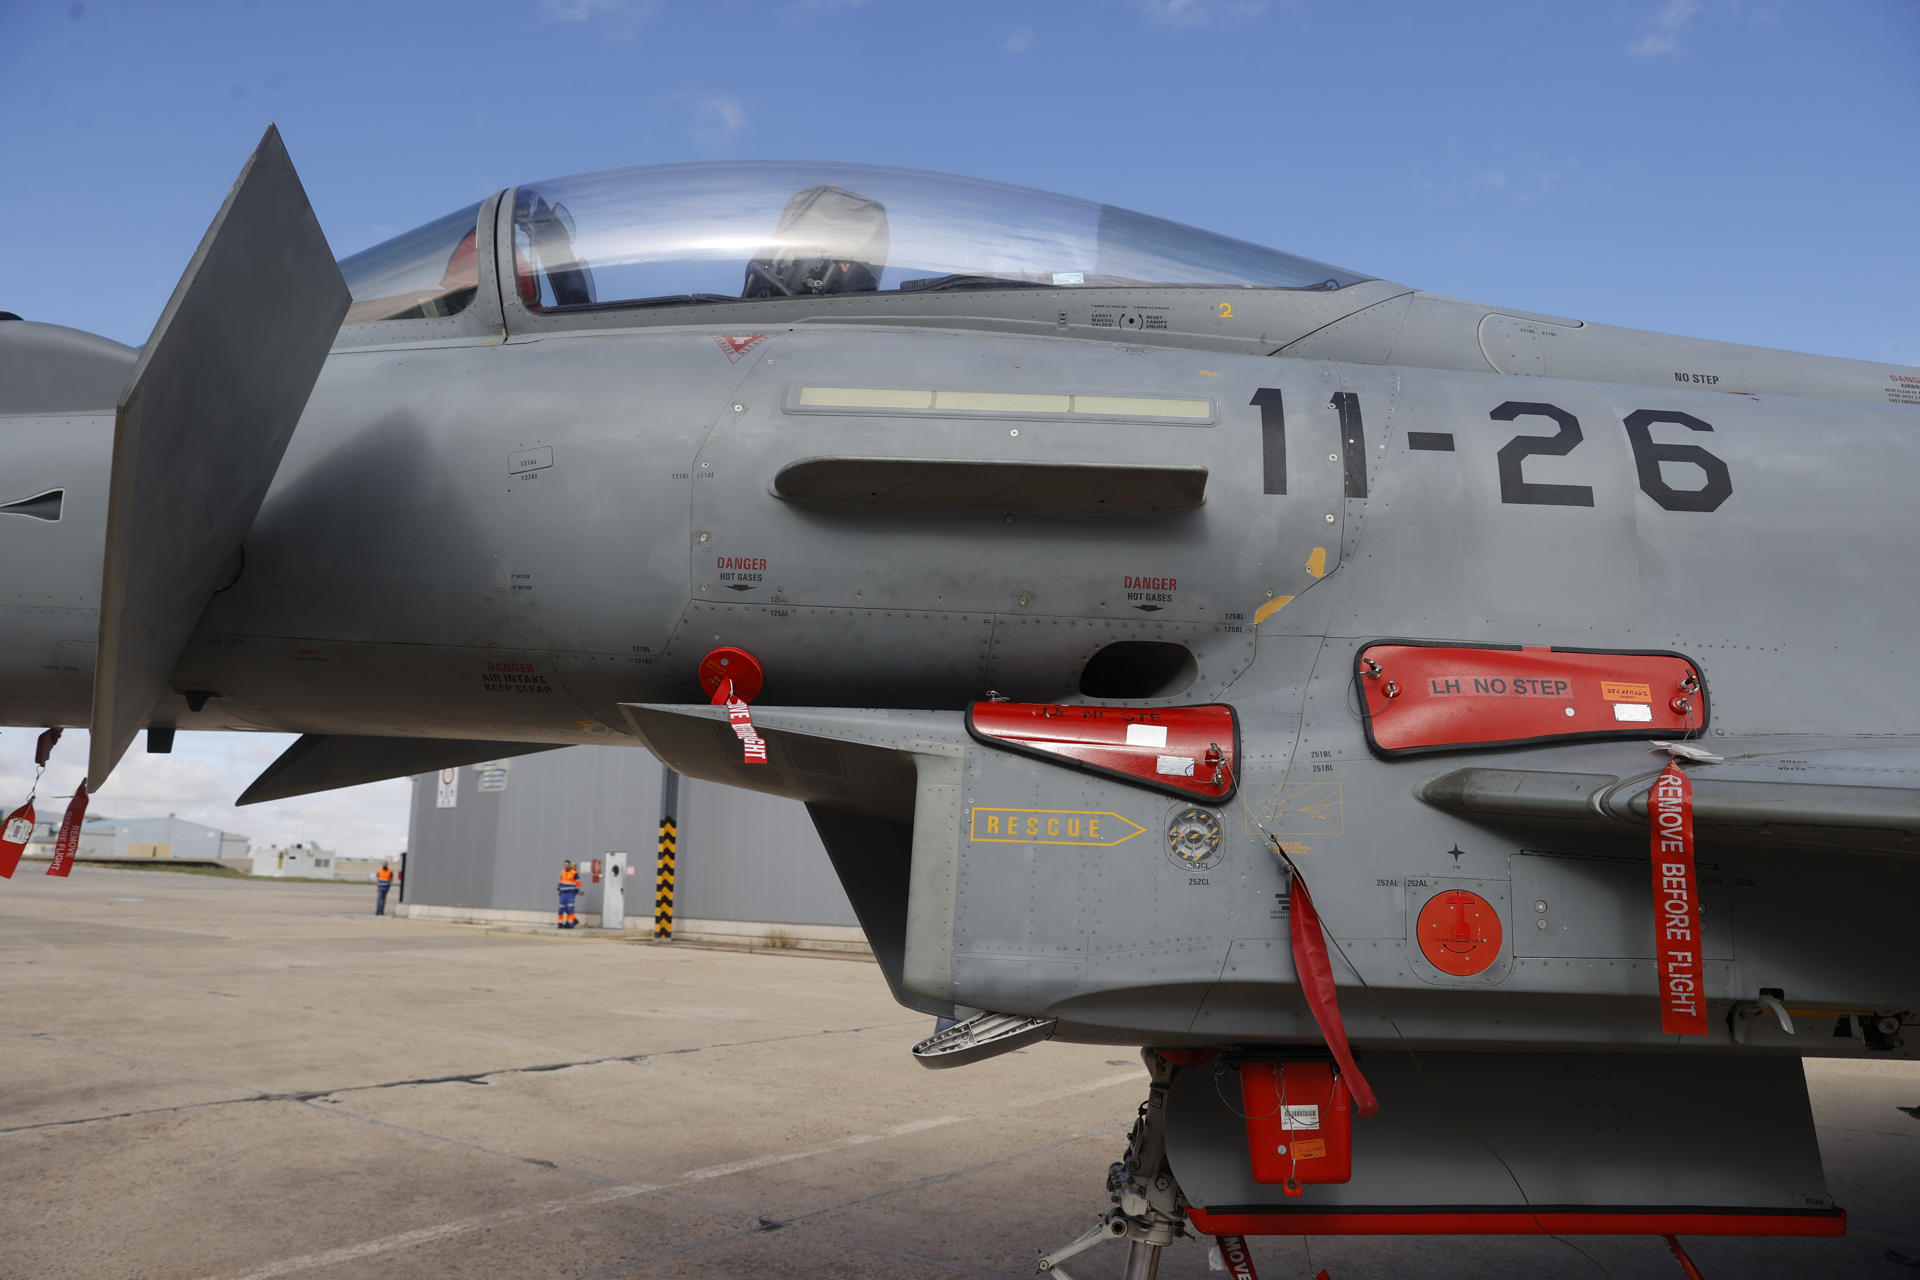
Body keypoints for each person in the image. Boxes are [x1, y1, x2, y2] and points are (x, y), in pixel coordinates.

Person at [557, 860, 581, 929]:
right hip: (563, 893)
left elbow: (578, 882)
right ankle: (560, 923)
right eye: (565, 864)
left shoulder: (574, 873)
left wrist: (576, 890)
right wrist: (559, 889)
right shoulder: (563, 872)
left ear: (570, 865)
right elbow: (561, 881)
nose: (566, 865)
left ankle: (570, 924)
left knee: (570, 909)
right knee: (561, 909)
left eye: (567, 864)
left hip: (570, 893)